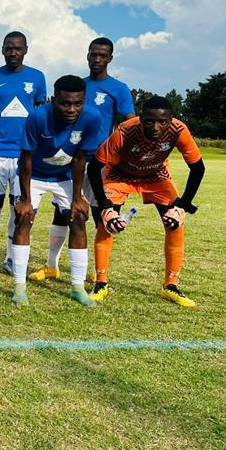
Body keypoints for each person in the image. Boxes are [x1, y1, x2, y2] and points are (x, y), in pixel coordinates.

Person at [32, 37, 135, 283]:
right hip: (72, 158)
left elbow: (130, 123)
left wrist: (124, 156)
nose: (97, 59)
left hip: (100, 161)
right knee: (63, 213)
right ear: (87, 55)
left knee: (102, 214)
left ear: (110, 58)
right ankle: (51, 266)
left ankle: (100, 274)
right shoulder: (79, 86)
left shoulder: (118, 88)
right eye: (93, 54)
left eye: (102, 55)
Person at [87, 96, 205, 307]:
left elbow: (198, 168)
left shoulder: (179, 130)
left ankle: (170, 285)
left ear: (171, 120)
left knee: (175, 225)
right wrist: (105, 206)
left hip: (156, 176)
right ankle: (101, 282)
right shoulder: (125, 130)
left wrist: (181, 205)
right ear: (141, 118)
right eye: (149, 121)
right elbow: (94, 167)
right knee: (107, 225)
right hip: (120, 175)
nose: (156, 127)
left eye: (162, 122)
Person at [10, 75, 101, 307]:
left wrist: (78, 197)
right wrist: (25, 199)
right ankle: (19, 287)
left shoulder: (92, 118)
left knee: (79, 218)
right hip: (35, 175)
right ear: (53, 99)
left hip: (65, 176)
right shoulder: (38, 116)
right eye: (65, 103)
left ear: (84, 101)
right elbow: (26, 159)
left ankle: (77, 287)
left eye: (77, 103)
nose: (72, 109)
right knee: (24, 218)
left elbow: (81, 158)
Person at [0, 31, 46, 277]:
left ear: (26, 49)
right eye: (9, 48)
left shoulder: (37, 78)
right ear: (3, 49)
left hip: (24, 155)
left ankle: (9, 257)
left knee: (18, 207)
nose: (13, 53)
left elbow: (40, 118)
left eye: (18, 48)